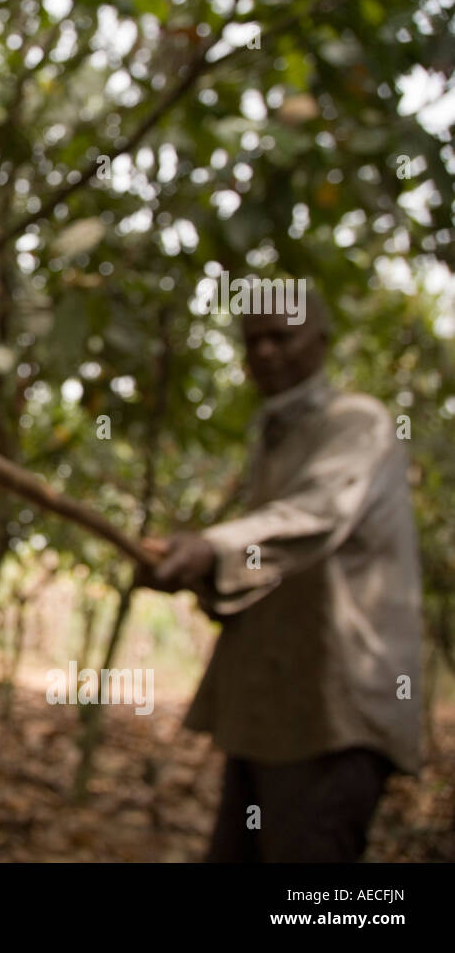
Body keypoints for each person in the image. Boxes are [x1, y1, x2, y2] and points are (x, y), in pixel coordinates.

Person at [137, 286, 424, 862]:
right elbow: (268, 564)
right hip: (271, 714)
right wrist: (200, 572)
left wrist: (210, 549)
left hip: (337, 715)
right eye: (252, 343)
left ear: (321, 339)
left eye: (281, 337)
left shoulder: (357, 423)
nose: (265, 354)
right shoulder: (275, 439)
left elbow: (315, 517)